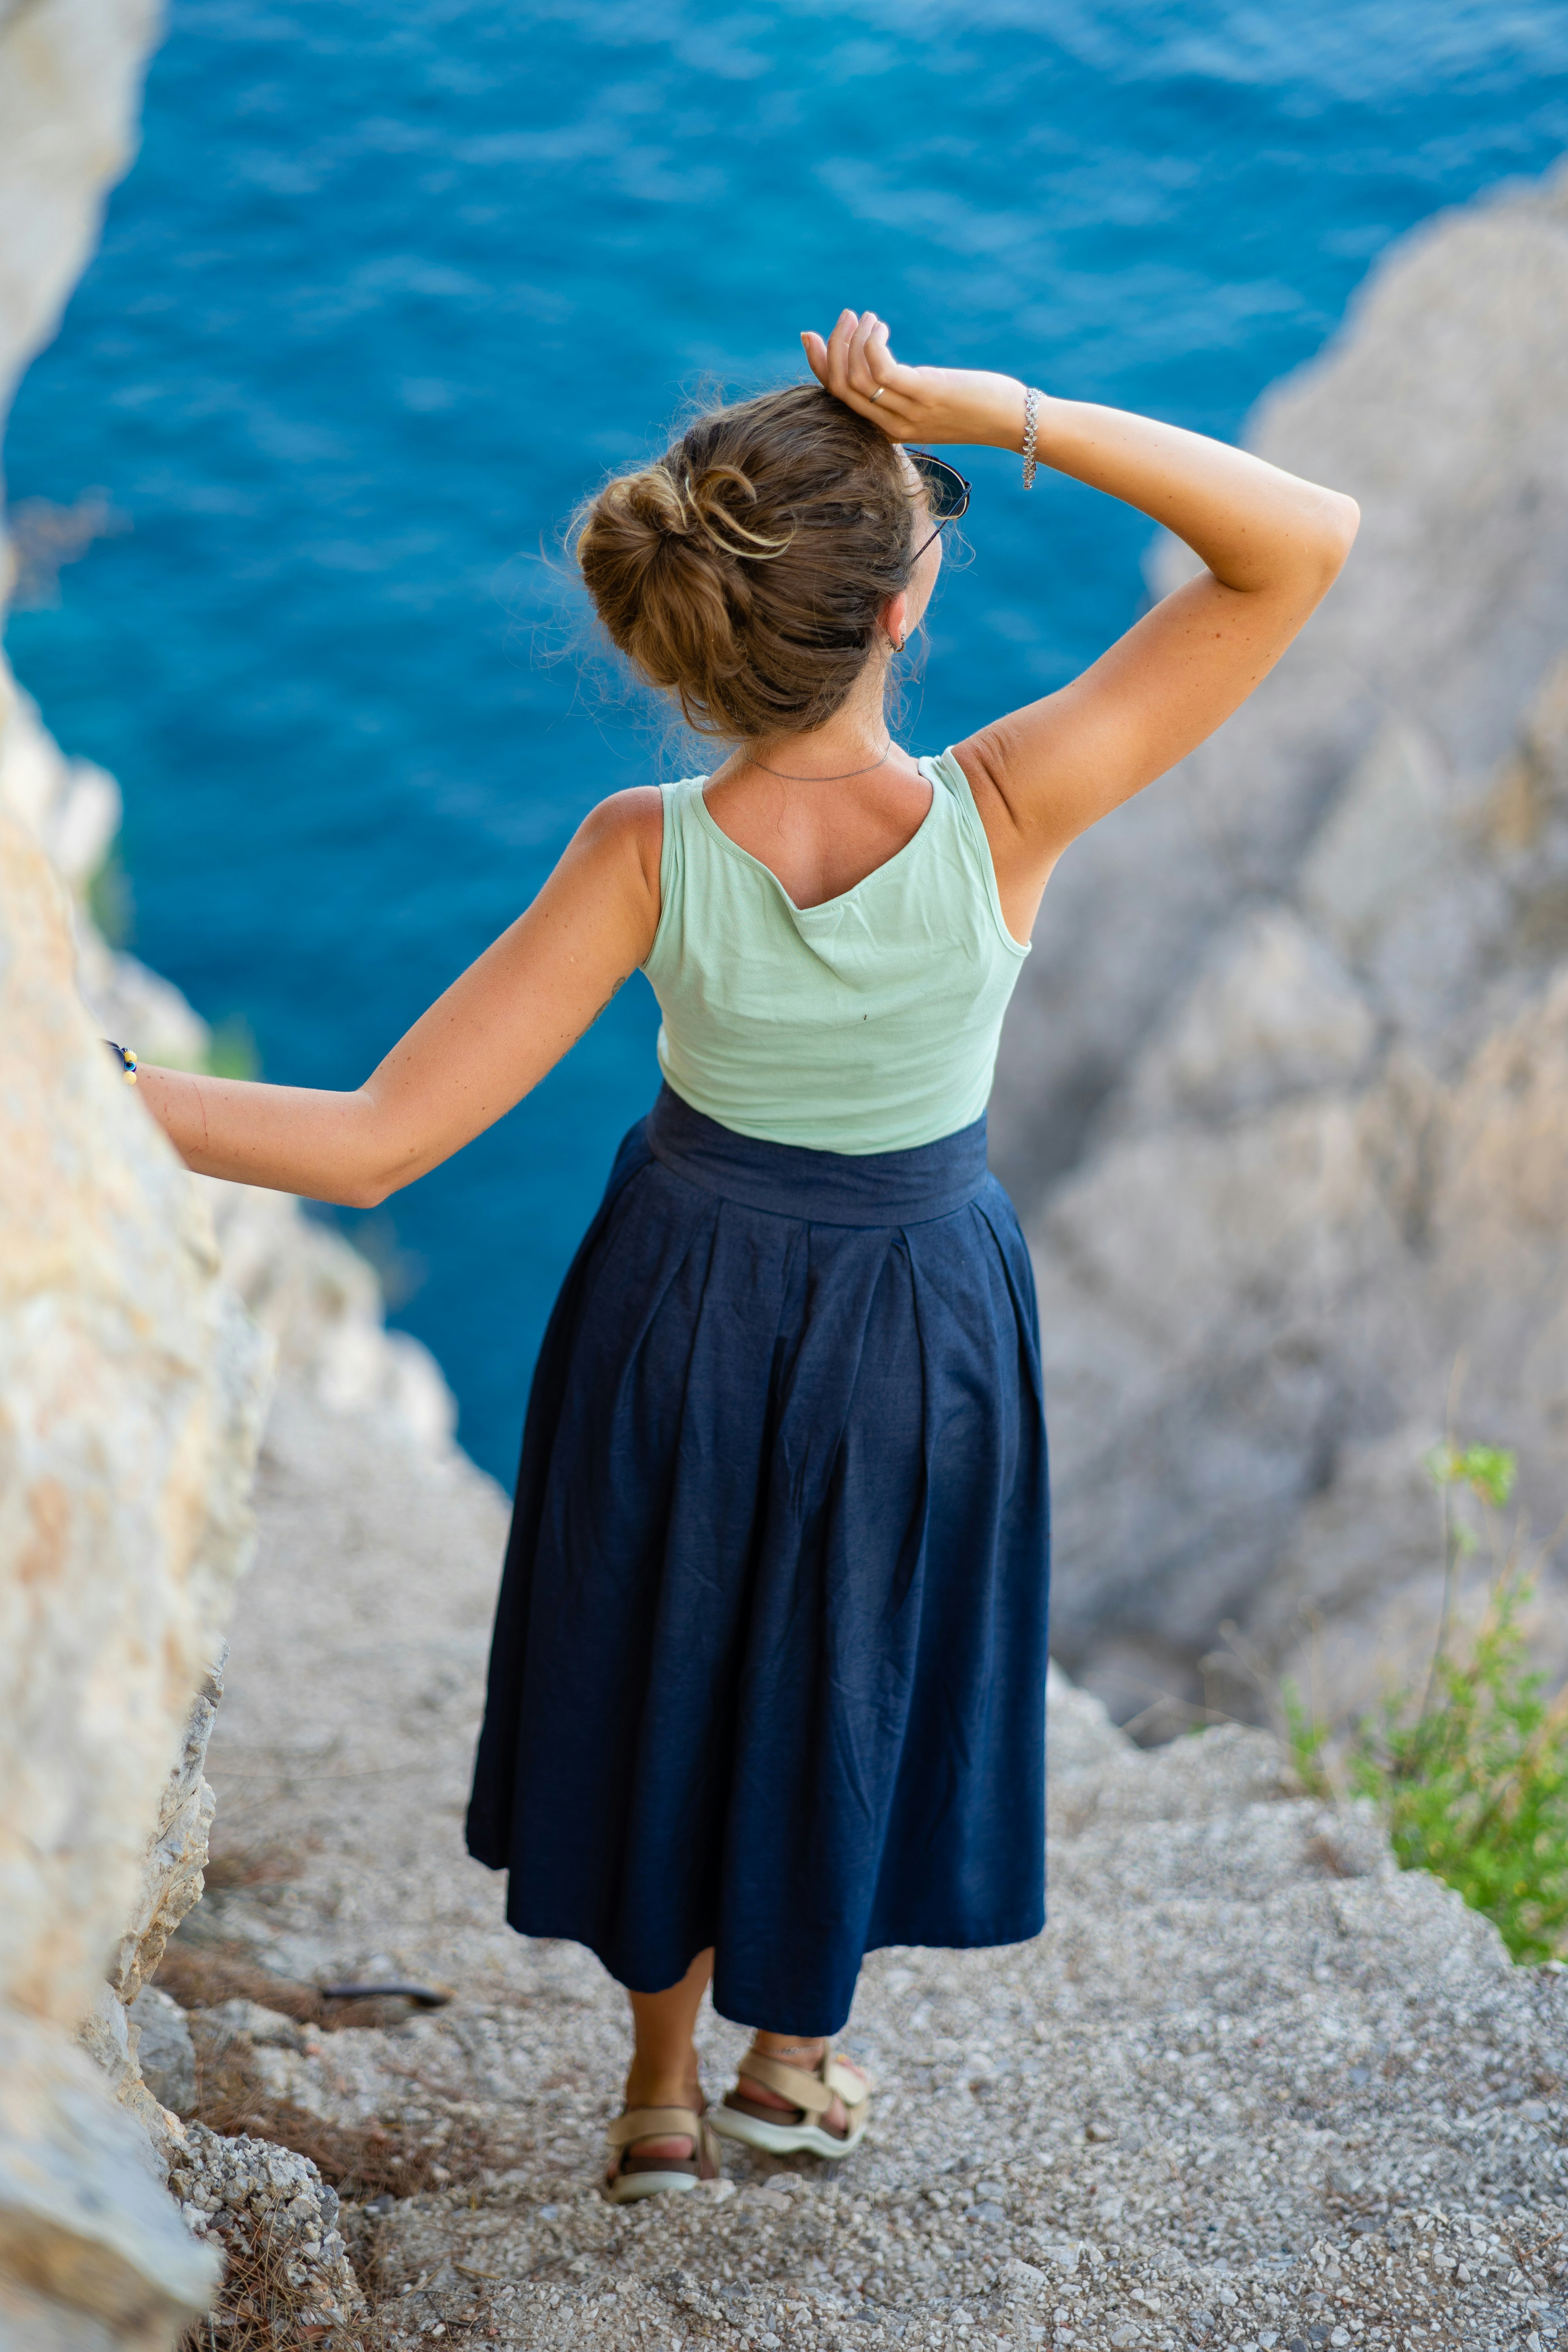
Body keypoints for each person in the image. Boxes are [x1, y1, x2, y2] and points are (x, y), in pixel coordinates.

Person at [129, 309, 1358, 2200]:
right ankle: (795, 2058)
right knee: (852, 1657)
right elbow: (1297, 538)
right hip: (919, 1317)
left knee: (670, 1651)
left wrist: (86, 1088)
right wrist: (997, 414)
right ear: (893, 619)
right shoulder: (1007, 809)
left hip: (679, 1300)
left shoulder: (643, 847)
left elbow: (377, 1142)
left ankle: (658, 2095)